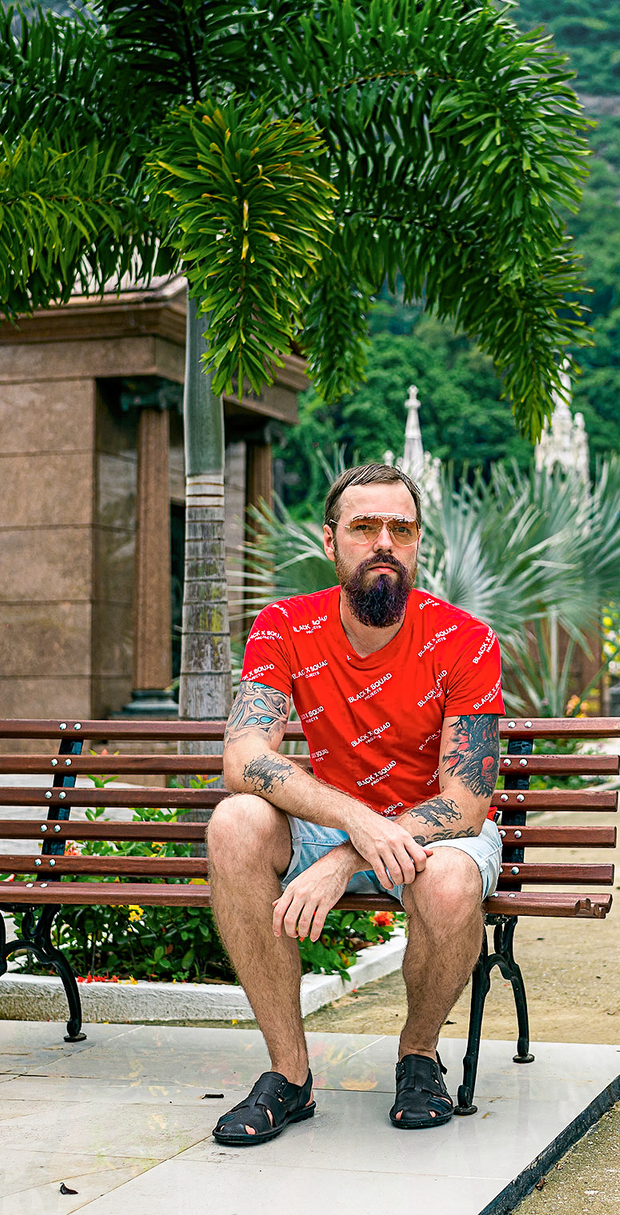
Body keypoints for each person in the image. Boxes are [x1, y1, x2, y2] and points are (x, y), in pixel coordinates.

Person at [206, 463, 503, 1145]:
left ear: (419, 542)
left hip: (436, 834)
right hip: (342, 821)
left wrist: (347, 854)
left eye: (401, 528)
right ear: (330, 539)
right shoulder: (284, 625)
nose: (384, 543)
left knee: (454, 883)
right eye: (364, 527)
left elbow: (465, 802)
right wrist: (353, 824)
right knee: (236, 823)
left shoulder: (464, 640)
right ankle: (289, 1075)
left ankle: (419, 1055)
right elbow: (243, 758)